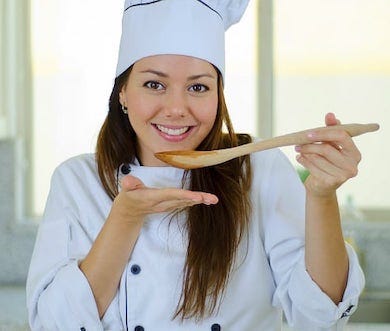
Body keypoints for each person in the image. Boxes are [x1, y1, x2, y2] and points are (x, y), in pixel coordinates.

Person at [26, 0, 365, 330]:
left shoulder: (260, 171)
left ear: (218, 97)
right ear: (123, 93)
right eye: (154, 84)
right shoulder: (77, 182)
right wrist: (124, 218)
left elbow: (321, 314)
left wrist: (321, 196)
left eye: (198, 86)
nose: (176, 108)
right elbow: (54, 324)